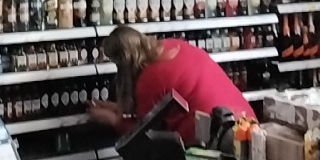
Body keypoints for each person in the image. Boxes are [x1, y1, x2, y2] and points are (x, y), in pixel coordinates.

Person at [88, 26, 256, 144]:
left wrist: (113, 120)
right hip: (247, 125)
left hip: (218, 137)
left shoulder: (150, 79)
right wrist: (117, 107)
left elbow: (144, 133)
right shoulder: (173, 44)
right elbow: (155, 106)